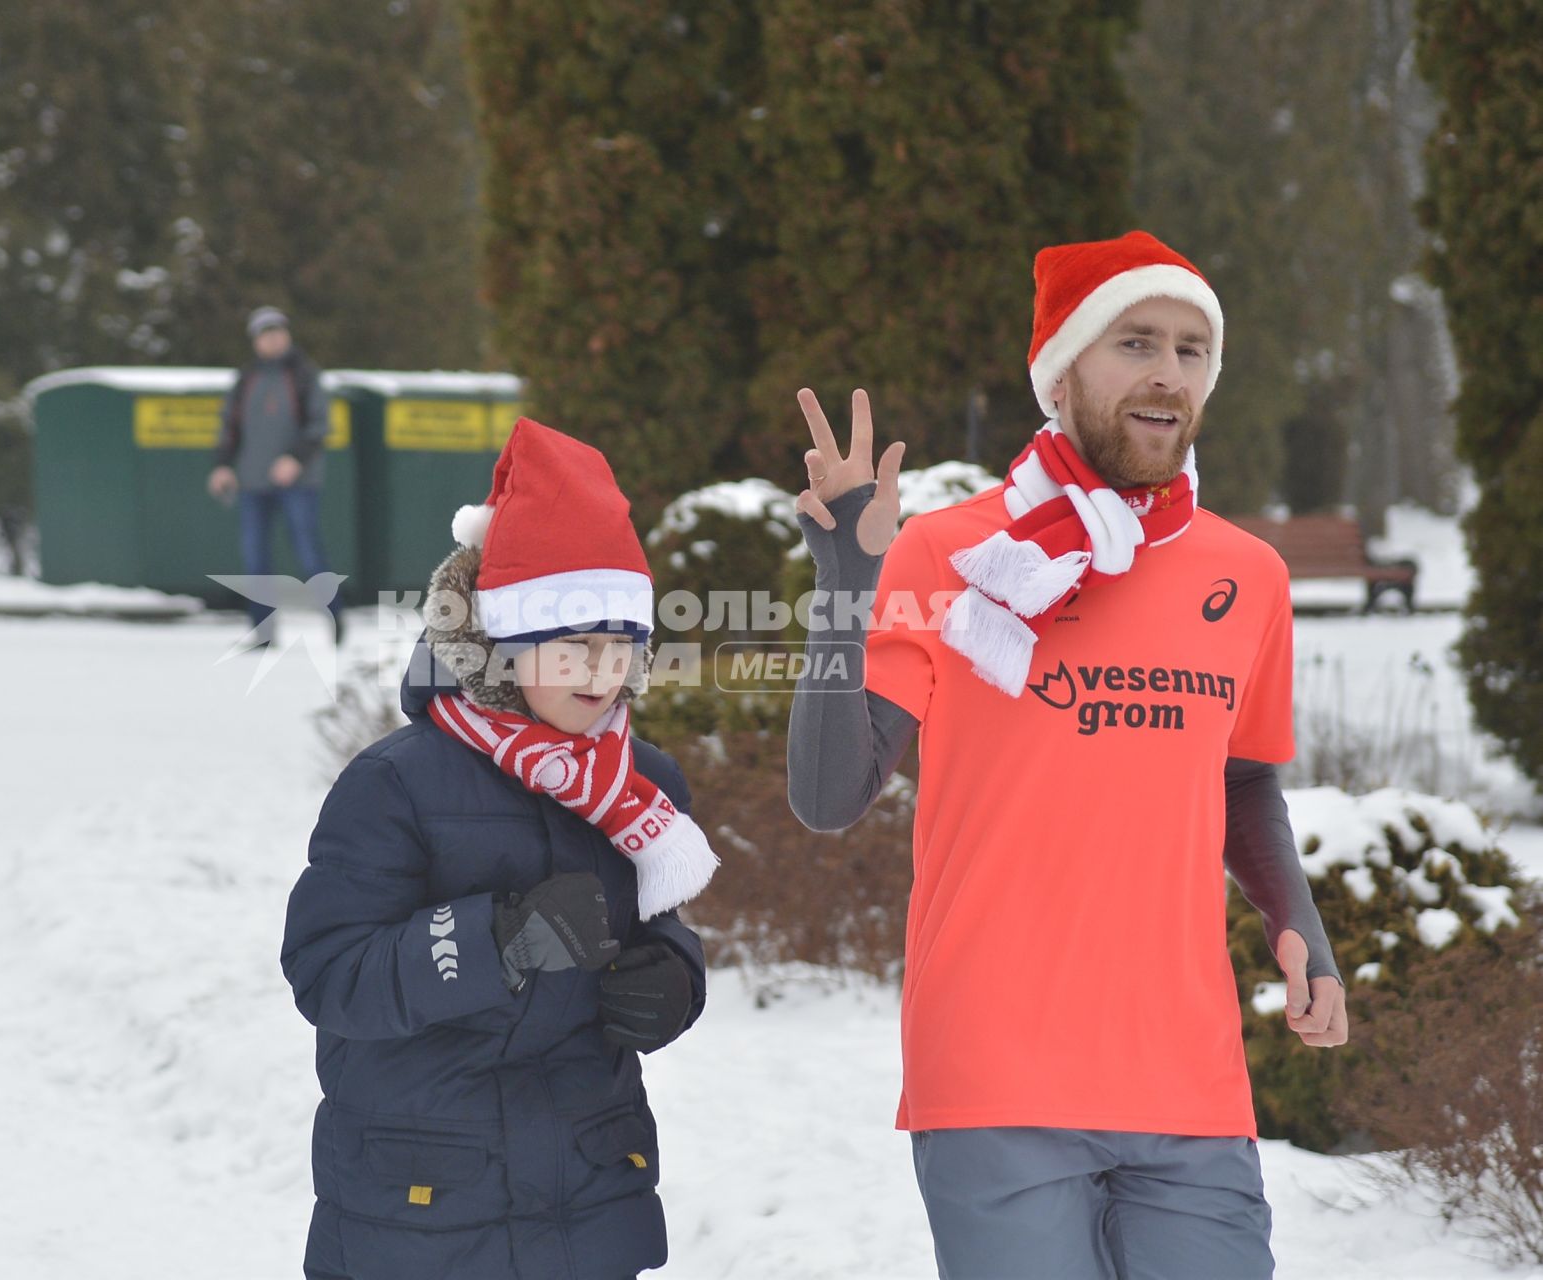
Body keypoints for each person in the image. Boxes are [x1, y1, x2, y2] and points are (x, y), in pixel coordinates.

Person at [785, 231, 1348, 1280]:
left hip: (1185, 1079)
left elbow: (1241, 778)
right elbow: (827, 792)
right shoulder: (949, 555)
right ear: (1062, 371)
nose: (1166, 373)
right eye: (1133, 341)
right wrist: (841, 582)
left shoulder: (1247, 574)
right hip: (995, 1074)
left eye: (1189, 349)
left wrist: (1296, 926)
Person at [281, 418, 718, 1280]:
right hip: (423, 1213)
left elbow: (665, 926)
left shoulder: (642, 785)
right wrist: (497, 941)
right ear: (506, 644)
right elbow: (329, 973)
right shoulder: (397, 783)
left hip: (587, 1198)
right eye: (574, 646)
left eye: (621, 644)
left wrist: (673, 978)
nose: (601, 674)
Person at [207, 305, 343, 643]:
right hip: (253, 482)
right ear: (255, 341)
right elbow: (230, 427)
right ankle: (263, 630)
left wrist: (295, 460)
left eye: (277, 332)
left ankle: (335, 616)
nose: (272, 340)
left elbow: (319, 426)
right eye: (265, 334)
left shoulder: (303, 374)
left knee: (308, 552)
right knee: (255, 557)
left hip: (299, 484)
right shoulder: (247, 378)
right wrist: (223, 465)